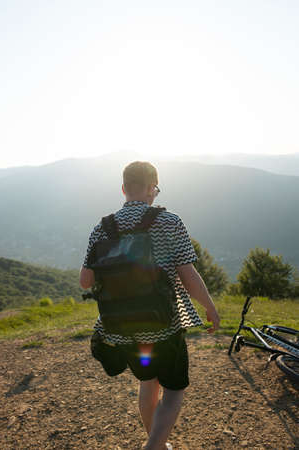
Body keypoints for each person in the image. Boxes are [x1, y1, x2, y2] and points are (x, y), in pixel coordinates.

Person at [79, 161, 220, 450]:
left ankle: (156, 443)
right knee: (174, 390)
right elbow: (188, 275)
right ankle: (154, 446)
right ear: (151, 189)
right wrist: (209, 307)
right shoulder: (169, 222)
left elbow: (85, 281)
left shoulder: (102, 228)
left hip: (121, 330)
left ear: (123, 189)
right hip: (163, 325)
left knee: (148, 383)